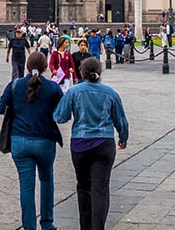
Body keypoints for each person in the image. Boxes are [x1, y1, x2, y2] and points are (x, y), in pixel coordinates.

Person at [54, 57, 129, 230]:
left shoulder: (74, 92)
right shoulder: (110, 93)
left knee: (83, 186)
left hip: (80, 144)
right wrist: (123, 138)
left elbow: (60, 116)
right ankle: (98, 226)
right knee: (100, 187)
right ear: (100, 72)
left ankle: (85, 226)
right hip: (104, 143)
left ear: (81, 73)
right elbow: (121, 120)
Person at [0, 51, 64, 230]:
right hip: (45, 141)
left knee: (26, 186)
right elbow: (62, 113)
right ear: (45, 67)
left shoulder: (15, 85)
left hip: (20, 141)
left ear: (27, 66)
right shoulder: (53, 87)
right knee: (46, 179)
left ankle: (29, 226)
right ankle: (47, 223)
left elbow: (0, 108)